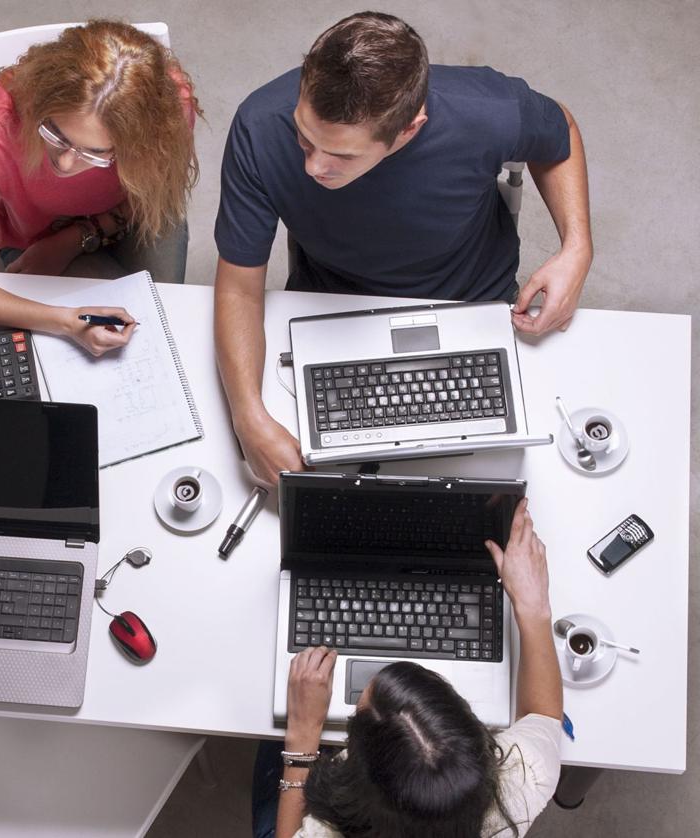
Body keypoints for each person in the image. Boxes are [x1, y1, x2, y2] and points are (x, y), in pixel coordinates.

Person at [214, 11, 593, 486]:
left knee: (503, 477)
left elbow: (561, 132)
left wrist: (577, 249)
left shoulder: (487, 109)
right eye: (304, 137)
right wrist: (247, 415)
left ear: (409, 129)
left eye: (342, 155)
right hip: (333, 302)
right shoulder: (259, 123)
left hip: (473, 300)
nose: (312, 167)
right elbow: (239, 291)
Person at [254, 497, 563, 837]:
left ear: (357, 774)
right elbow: (543, 716)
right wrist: (533, 607)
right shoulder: (526, 777)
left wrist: (302, 735)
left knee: (273, 730)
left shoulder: (327, 830)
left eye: (358, 715)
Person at [0, 19, 200, 356]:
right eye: (55, 133)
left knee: (156, 326)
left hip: (130, 214)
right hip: (35, 238)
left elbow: (157, 194)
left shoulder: (170, 109)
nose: (67, 163)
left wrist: (77, 237)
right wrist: (66, 322)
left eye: (96, 153)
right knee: (116, 337)